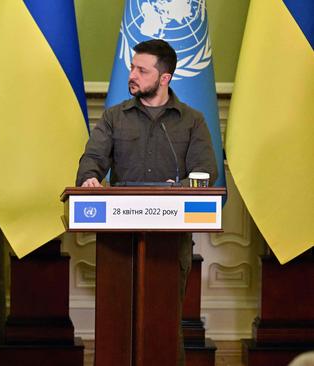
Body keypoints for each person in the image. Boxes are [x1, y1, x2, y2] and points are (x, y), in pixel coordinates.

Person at [75, 39, 217, 365]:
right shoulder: (114, 118)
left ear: (164, 78)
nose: (133, 75)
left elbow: (206, 172)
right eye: (132, 68)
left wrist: (177, 190)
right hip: (118, 239)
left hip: (171, 239)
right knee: (116, 315)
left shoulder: (191, 120)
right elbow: (92, 159)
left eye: (142, 69)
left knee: (164, 317)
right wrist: (89, 179)